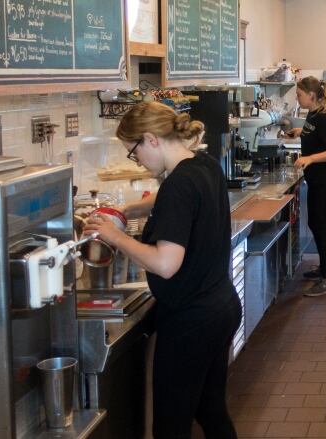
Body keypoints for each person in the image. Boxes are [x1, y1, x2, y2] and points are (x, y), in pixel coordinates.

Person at [84, 101, 241, 439]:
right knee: (211, 409)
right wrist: (131, 208)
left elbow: (166, 264)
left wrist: (114, 236)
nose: (137, 162)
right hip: (221, 306)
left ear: (151, 139)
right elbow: (178, 202)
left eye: (134, 152)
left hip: (192, 321)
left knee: (171, 425)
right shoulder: (204, 165)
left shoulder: (177, 185)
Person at [282, 76, 326, 296]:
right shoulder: (314, 114)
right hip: (318, 179)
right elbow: (314, 132)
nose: (297, 99)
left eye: (299, 95)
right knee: (315, 224)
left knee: (321, 227)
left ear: (311, 95)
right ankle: (323, 268)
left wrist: (310, 159)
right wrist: (301, 132)